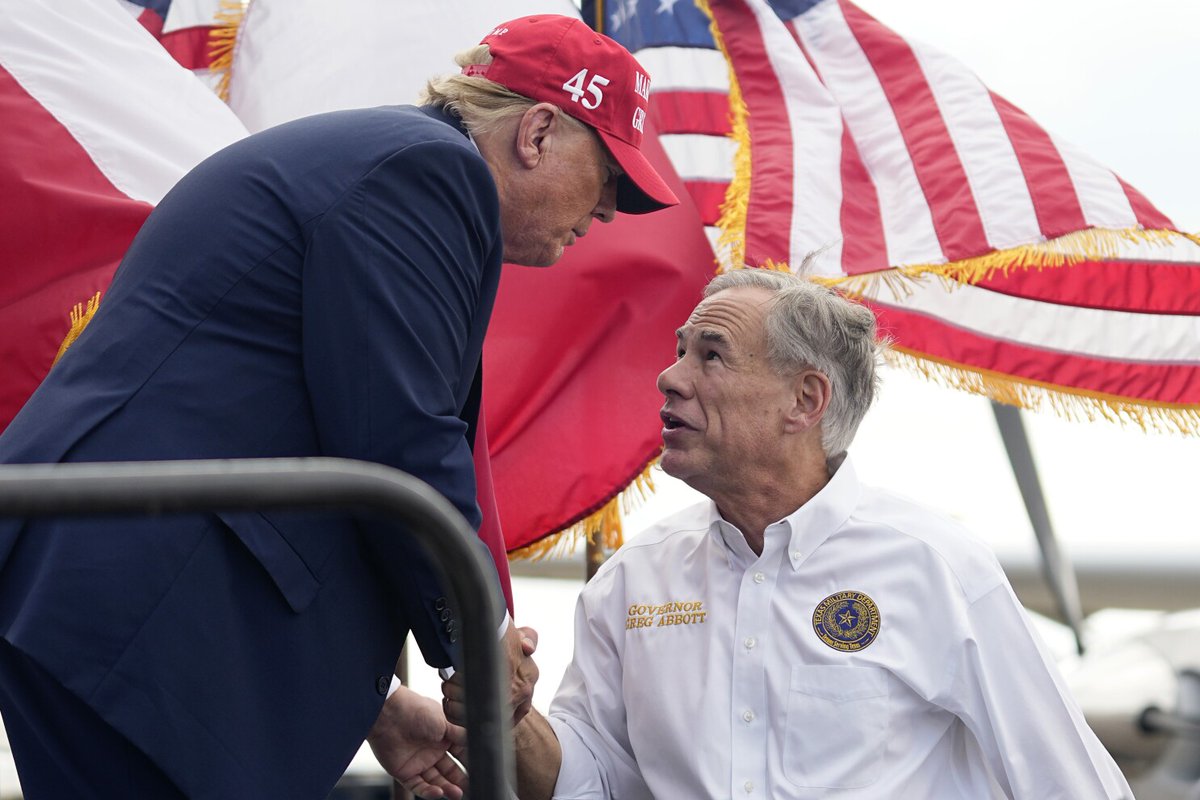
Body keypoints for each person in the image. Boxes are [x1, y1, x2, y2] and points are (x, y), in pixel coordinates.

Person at [0, 13, 676, 800]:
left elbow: (328, 419)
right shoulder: (429, 172)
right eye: (607, 183)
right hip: (148, 614)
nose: (603, 217)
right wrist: (482, 639)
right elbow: (400, 434)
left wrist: (380, 709)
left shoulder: (386, 160)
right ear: (537, 132)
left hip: (131, 601)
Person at [473, 268, 1132, 798]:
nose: (669, 378)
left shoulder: (937, 567)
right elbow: (591, 784)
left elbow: (1069, 783)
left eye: (711, 356)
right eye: (680, 352)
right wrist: (510, 716)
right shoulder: (629, 581)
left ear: (804, 400)